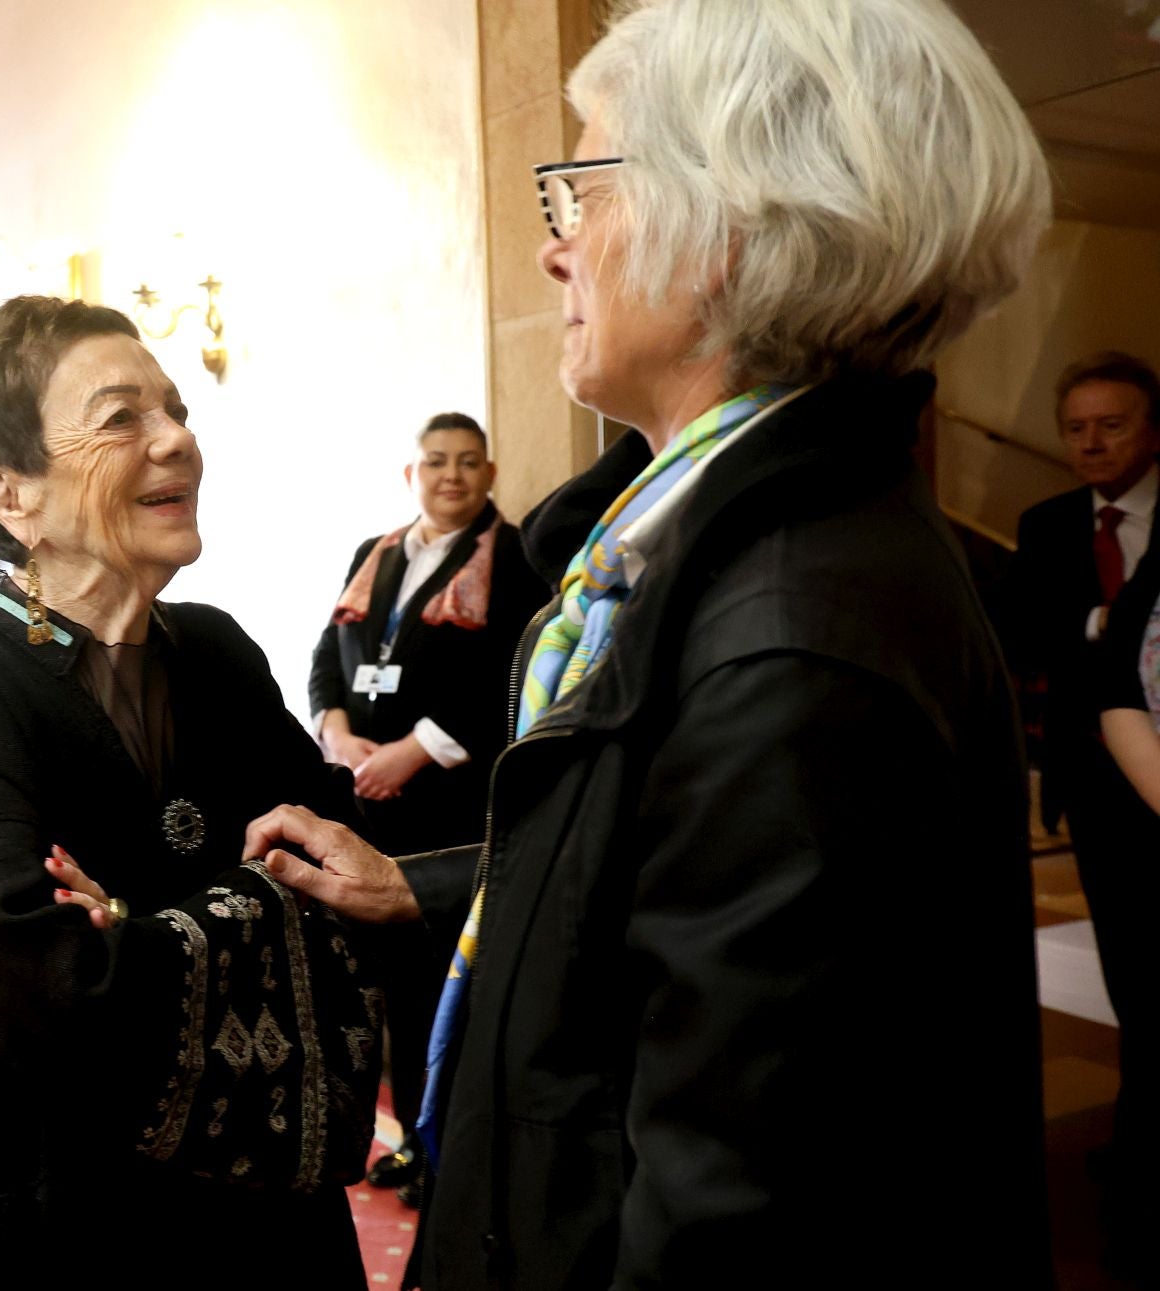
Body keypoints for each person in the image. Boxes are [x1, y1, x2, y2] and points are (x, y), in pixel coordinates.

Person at [242, 1, 1055, 1285]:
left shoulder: (790, 637)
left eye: (583, 187)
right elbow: (666, 891)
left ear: (726, 227)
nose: (556, 251)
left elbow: (734, 1221)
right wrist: (429, 889)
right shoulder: (694, 539)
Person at [0, 295, 383, 1289]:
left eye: (175, 410)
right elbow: (45, 987)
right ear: (13, 495)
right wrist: (256, 910)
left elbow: (354, 891)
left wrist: (133, 924)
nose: (176, 440)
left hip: (265, 1217)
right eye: (123, 418)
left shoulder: (214, 650)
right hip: (67, 1219)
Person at [308, 411, 530, 1201]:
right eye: (436, 461)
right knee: (393, 994)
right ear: (412, 473)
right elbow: (326, 658)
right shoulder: (375, 555)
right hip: (371, 813)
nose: (452, 475)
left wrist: (412, 749)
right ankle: (411, 1141)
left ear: (490, 475)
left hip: (451, 819)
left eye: (469, 462)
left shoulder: (517, 562)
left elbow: (512, 681)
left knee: (450, 995)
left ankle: (452, 1159)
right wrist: (334, 729)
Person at [1061, 354, 1160, 1285]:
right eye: (1077, 428)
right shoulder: (1047, 524)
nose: (1092, 444)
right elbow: (1038, 644)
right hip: (1104, 792)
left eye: (1114, 424)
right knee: (1133, 971)